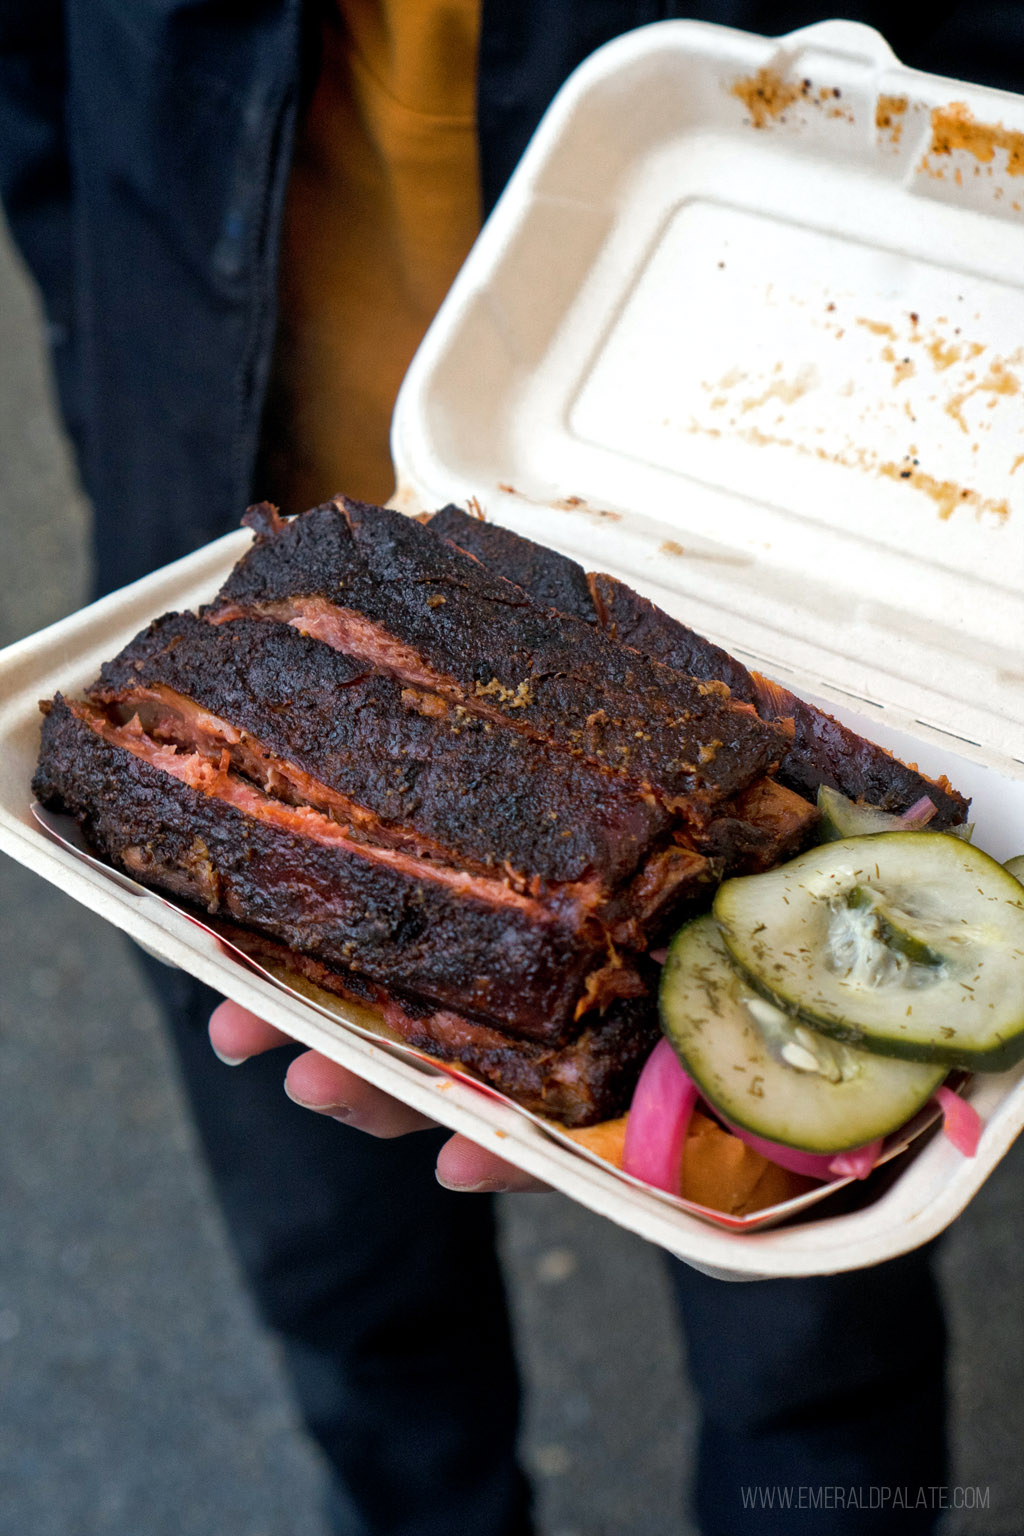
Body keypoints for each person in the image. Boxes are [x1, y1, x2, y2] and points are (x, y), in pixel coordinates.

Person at [3, 2, 1015, 1530]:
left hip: (742, 477)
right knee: (339, 1271)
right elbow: (49, 105)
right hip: (244, 484)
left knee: (810, 1368)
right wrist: (116, 393)